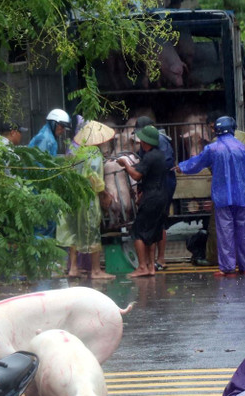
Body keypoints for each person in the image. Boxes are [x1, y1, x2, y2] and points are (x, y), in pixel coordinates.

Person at [176, 116, 245, 276]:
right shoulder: (241, 147)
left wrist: (181, 167)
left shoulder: (212, 148)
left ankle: (228, 268)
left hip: (222, 197)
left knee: (225, 232)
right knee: (244, 231)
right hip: (241, 196)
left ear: (217, 130)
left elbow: (197, 163)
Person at [57, 120, 116, 280]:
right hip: (87, 198)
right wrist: (104, 193)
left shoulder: (74, 151)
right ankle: (96, 271)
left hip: (72, 196)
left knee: (75, 231)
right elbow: (94, 176)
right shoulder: (93, 153)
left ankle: (74, 268)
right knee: (91, 230)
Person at [119, 125, 169, 277]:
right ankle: (150, 267)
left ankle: (142, 267)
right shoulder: (160, 155)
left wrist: (125, 164)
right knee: (152, 232)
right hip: (161, 196)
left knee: (138, 231)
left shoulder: (149, 157)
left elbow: (136, 175)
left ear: (146, 142)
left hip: (151, 197)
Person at [135, 115, 176, 271]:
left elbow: (161, 164)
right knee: (154, 222)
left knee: (159, 221)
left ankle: (160, 259)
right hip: (154, 185)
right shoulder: (147, 142)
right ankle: (150, 263)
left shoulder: (160, 141)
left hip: (162, 184)